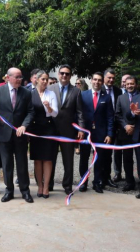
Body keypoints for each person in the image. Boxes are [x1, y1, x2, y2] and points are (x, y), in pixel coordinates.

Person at [0, 67, 35, 203]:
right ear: (8, 78)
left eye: (21, 77)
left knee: (22, 164)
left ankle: (25, 191)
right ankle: (9, 191)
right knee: (7, 163)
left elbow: (31, 112)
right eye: (17, 77)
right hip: (4, 134)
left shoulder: (26, 93)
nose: (20, 80)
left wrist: (24, 125)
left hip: (20, 134)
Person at [48, 65, 85, 195]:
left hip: (68, 130)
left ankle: (67, 185)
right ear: (58, 74)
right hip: (52, 129)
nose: (64, 76)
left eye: (67, 74)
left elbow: (80, 112)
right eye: (62, 73)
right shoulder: (50, 88)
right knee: (50, 158)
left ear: (70, 76)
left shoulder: (76, 91)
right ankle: (49, 183)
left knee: (68, 159)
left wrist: (80, 129)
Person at [79, 72, 114, 193]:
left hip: (100, 133)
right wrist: (79, 130)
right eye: (95, 79)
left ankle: (97, 182)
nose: (97, 82)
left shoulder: (107, 97)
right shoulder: (83, 95)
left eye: (99, 80)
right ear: (91, 80)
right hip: (85, 133)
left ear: (102, 82)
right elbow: (79, 114)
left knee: (99, 159)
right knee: (84, 158)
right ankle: (83, 182)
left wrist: (109, 134)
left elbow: (110, 117)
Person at [28, 70, 59, 198]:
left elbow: (55, 113)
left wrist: (49, 108)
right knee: (37, 160)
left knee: (47, 159)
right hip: (35, 129)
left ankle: (46, 187)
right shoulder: (30, 94)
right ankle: (39, 186)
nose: (45, 82)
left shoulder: (51, 94)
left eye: (47, 79)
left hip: (48, 128)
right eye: (43, 79)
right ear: (37, 79)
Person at [114, 75, 138, 190]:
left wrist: (134, 126)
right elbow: (117, 114)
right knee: (127, 158)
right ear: (124, 85)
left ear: (136, 84)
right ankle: (129, 182)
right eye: (128, 84)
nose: (129, 86)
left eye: (132, 83)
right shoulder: (121, 98)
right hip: (125, 132)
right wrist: (125, 126)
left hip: (139, 132)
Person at [102, 68, 122, 188]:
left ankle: (107, 178)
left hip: (114, 127)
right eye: (109, 77)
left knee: (109, 154)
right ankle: (99, 178)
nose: (111, 80)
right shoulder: (100, 89)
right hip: (100, 127)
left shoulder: (118, 91)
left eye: (113, 78)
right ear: (104, 77)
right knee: (100, 154)